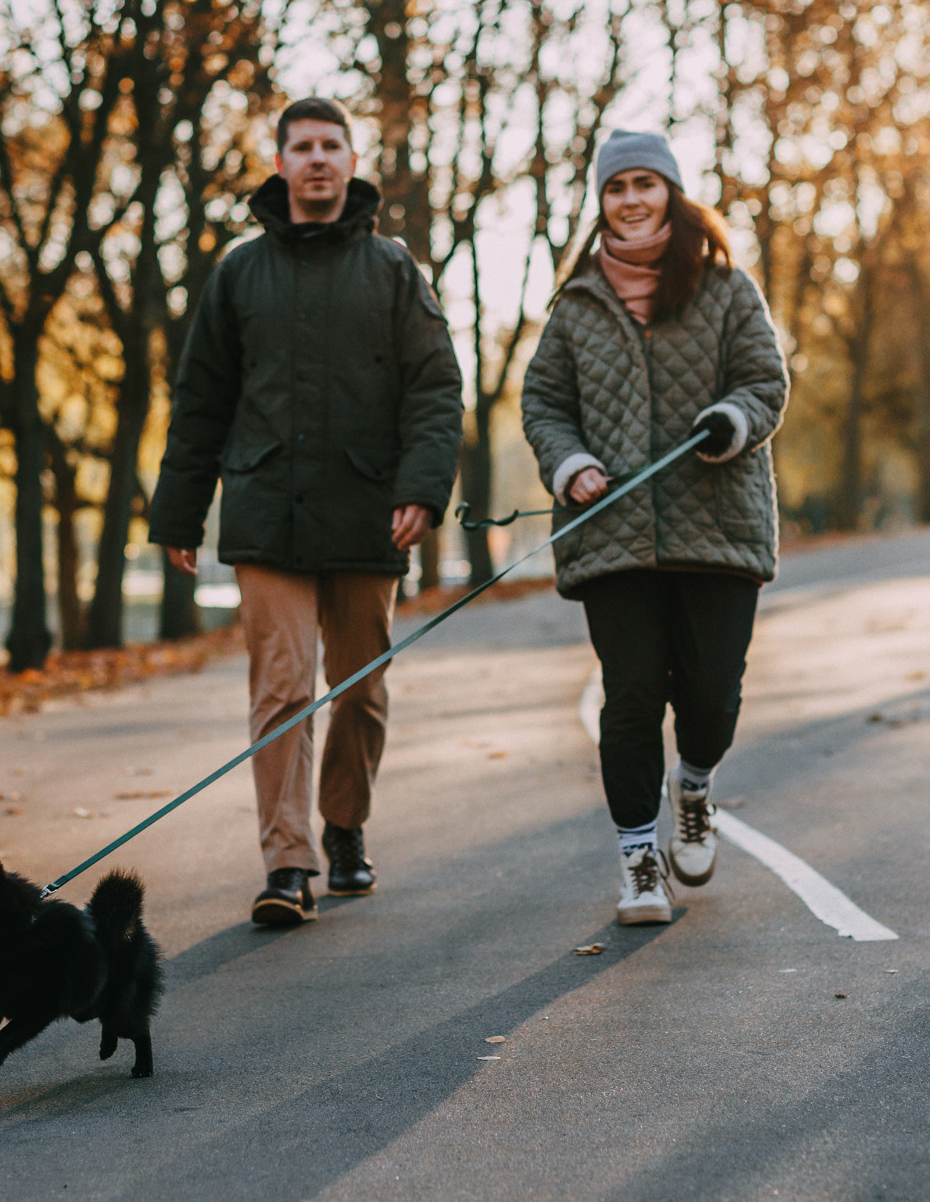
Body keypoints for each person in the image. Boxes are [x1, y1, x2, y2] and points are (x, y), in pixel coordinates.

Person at [149, 97, 464, 926]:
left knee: (358, 689)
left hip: (369, 514)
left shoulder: (394, 270)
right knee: (282, 688)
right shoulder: (239, 273)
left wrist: (422, 487)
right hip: (266, 514)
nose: (317, 158)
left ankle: (346, 826)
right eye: (302, 146)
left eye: (332, 145)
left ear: (352, 162)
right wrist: (180, 512)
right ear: (280, 163)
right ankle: (287, 861)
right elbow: (201, 399)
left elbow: (435, 387)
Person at [520, 129, 789, 925]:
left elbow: (765, 379)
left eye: (645, 182)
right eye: (616, 187)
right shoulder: (574, 308)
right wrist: (570, 466)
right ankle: (639, 860)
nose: (631, 198)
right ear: (599, 201)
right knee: (631, 695)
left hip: (720, 529)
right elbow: (545, 405)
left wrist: (731, 419)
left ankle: (695, 783)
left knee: (711, 697)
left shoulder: (726, 288)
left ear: (671, 191)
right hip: (613, 537)